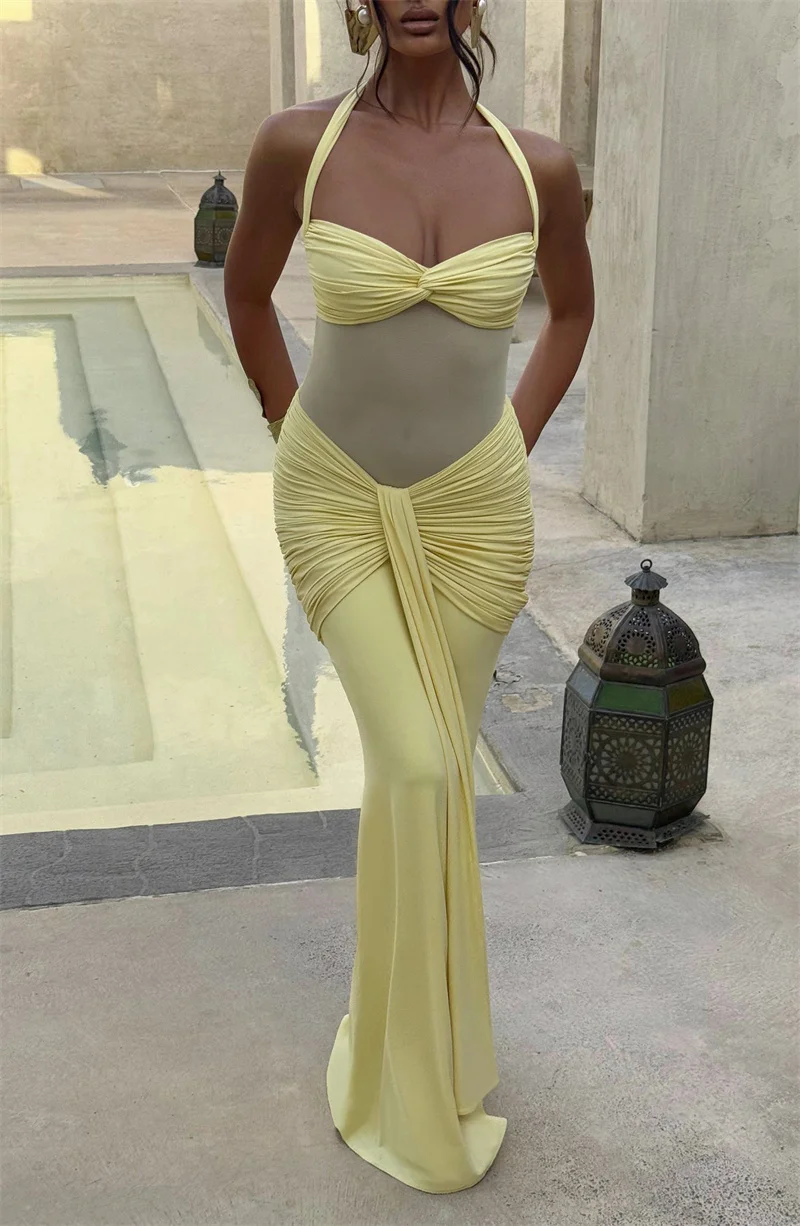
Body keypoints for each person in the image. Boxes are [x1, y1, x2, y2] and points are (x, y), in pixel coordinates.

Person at [224, 0, 594, 1194]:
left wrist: (510, 442)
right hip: (335, 503)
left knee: (413, 777)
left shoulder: (537, 168)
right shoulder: (299, 143)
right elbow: (246, 295)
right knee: (427, 766)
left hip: (474, 517)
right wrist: (288, 427)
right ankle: (412, 1077)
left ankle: (413, 1053)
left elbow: (572, 311)